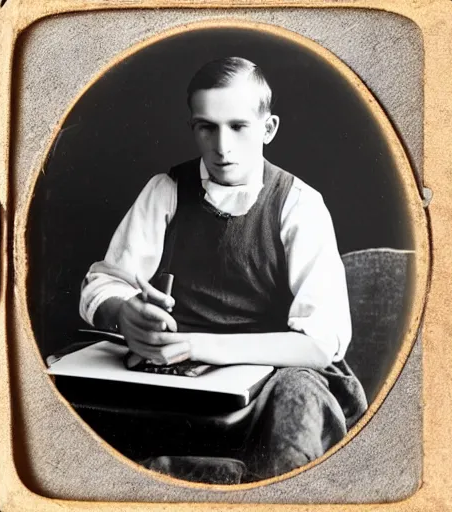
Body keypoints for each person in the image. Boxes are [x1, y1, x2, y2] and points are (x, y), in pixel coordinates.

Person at [79, 56, 367, 482]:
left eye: (238, 127)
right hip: (182, 380)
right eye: (205, 127)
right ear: (193, 127)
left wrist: (197, 345)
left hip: (276, 380)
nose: (222, 147)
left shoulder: (299, 204)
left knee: (299, 400)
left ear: (267, 129)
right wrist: (124, 313)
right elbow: (103, 282)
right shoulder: (166, 190)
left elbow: (321, 344)